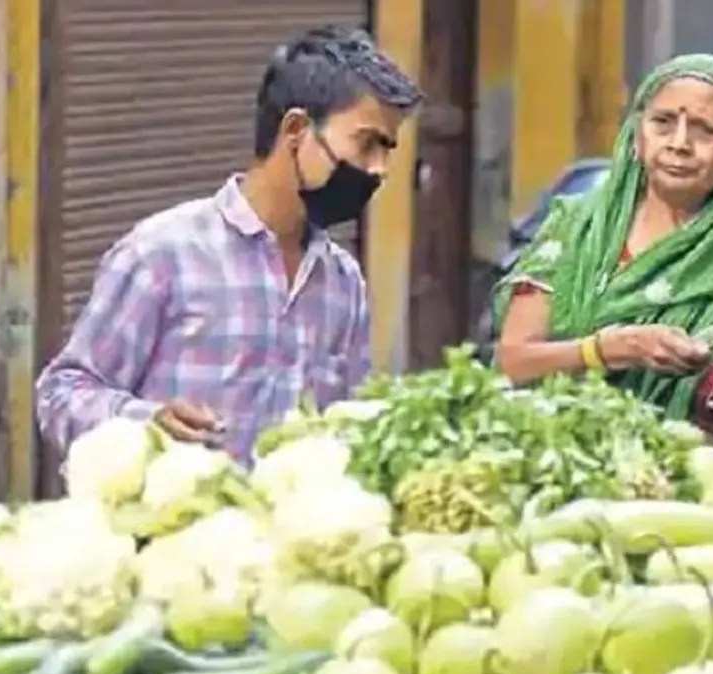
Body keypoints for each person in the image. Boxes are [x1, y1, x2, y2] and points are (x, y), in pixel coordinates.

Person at [35, 26, 423, 462]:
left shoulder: (343, 281)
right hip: (175, 526)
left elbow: (350, 427)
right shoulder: (162, 255)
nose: (380, 169)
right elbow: (61, 393)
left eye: (388, 150)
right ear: (296, 130)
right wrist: (145, 423)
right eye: (367, 143)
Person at [492, 54, 713, 426]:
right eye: (663, 122)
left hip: (687, 466)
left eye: (705, 130)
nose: (679, 143)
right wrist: (608, 349)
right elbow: (513, 361)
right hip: (553, 450)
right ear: (637, 136)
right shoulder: (576, 228)